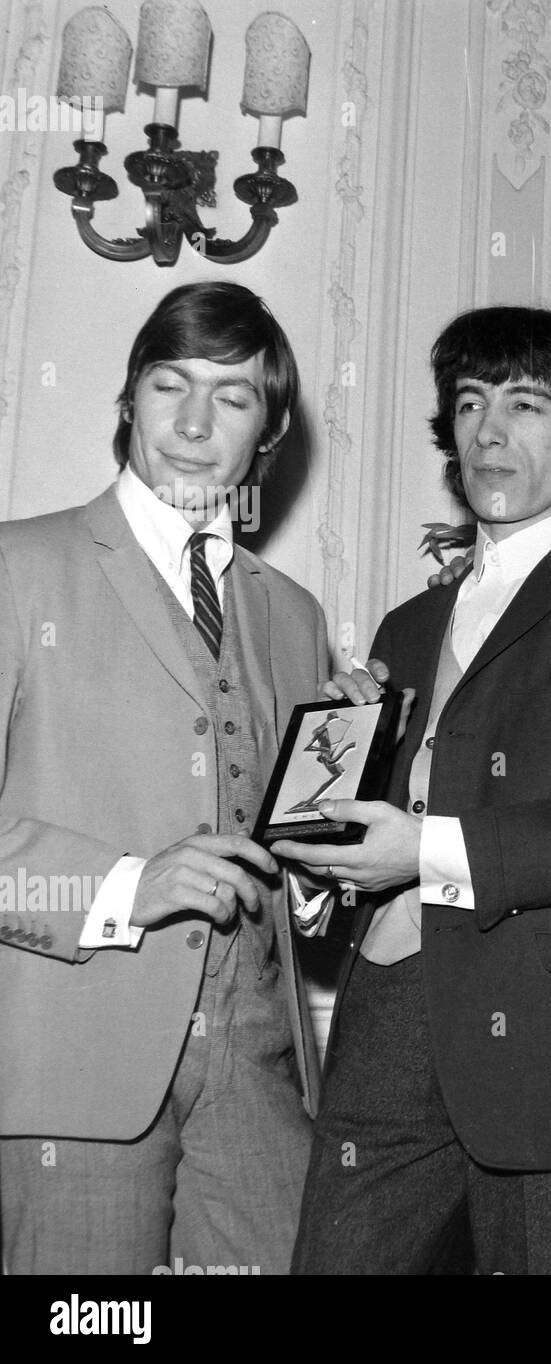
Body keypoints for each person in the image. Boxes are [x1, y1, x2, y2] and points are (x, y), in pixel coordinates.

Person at [285, 305, 551, 1275]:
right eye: (471, 402)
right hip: (387, 1016)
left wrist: (427, 850)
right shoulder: (404, 626)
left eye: (525, 404)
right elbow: (356, 841)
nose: (487, 430)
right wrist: (326, 793)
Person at [0, 281, 329, 1275]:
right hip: (75, 1073)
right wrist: (122, 884)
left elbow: (289, 852)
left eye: (231, 397)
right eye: (168, 384)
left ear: (268, 434)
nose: (192, 422)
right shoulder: (20, 569)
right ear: (128, 401)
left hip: (263, 1076)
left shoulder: (296, 613)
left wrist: (329, 858)